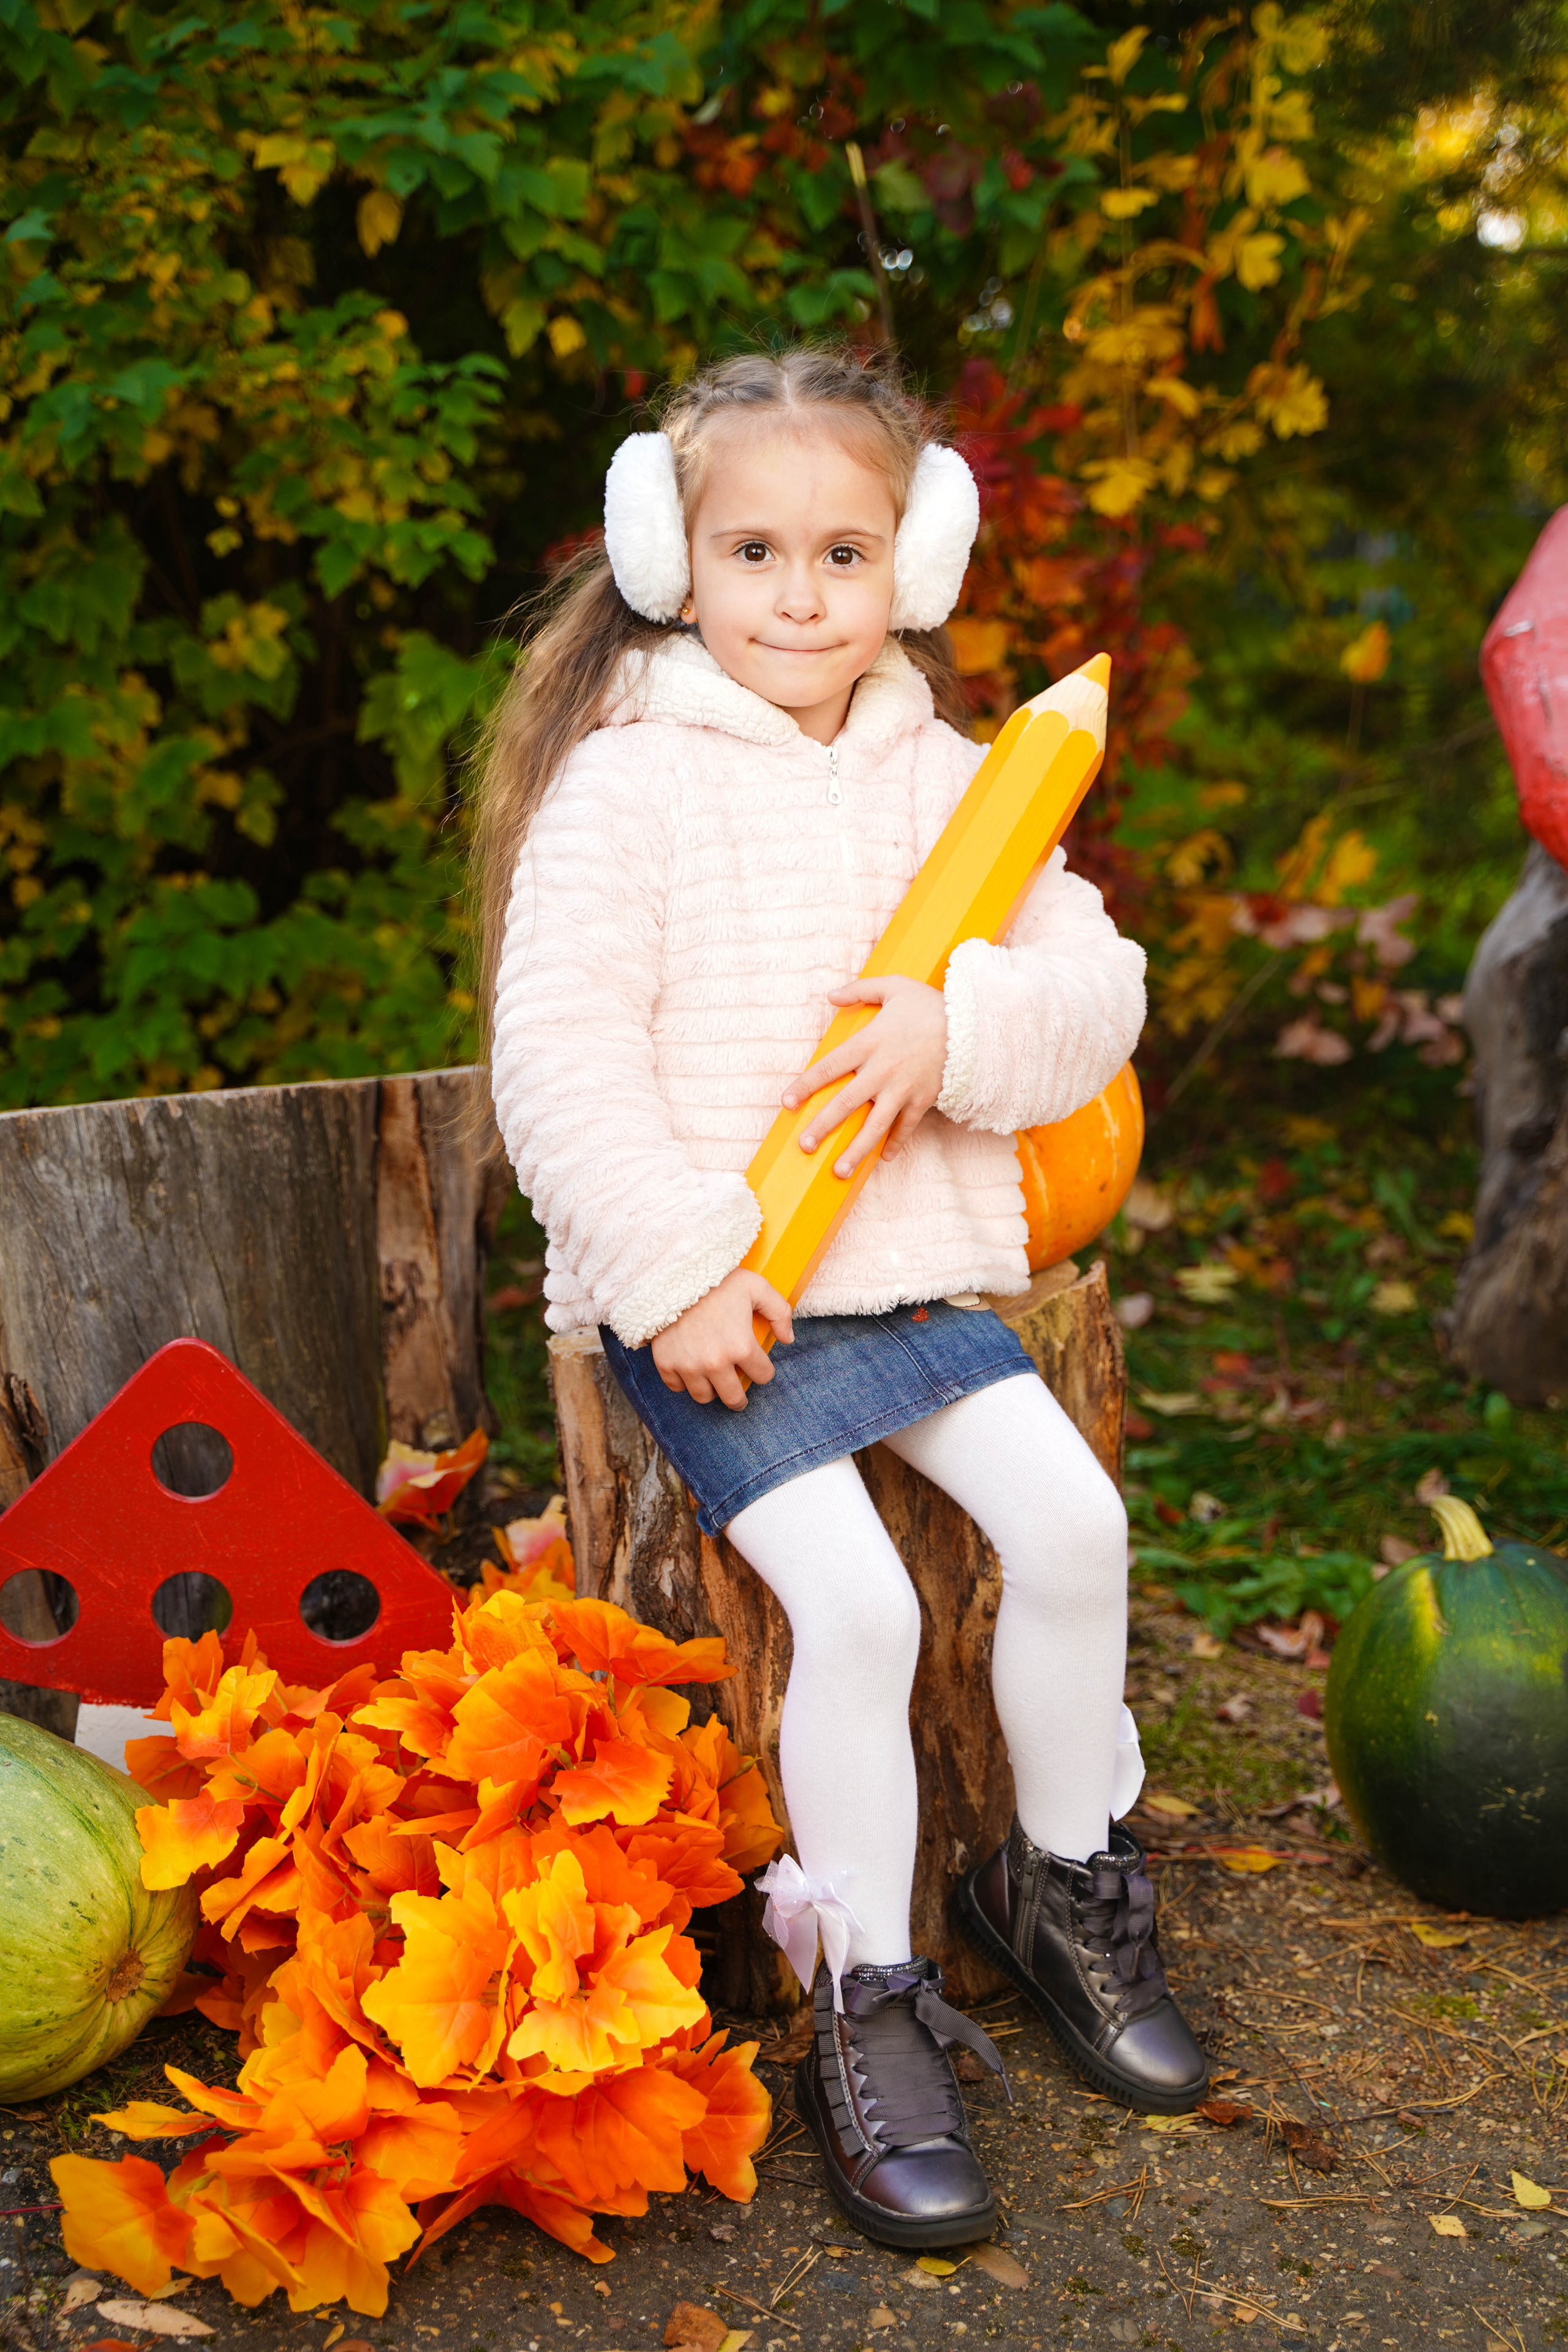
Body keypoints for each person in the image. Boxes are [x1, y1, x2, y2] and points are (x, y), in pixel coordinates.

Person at [478, 345, 1207, 2252]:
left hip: (914, 1280)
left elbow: (1102, 995)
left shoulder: (960, 787)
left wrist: (959, 1035)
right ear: (673, 559)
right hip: (718, 1304)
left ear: (916, 562)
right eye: (755, 552)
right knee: (865, 1611)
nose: (801, 595)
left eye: (845, 553)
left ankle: (1056, 1884)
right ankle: (864, 1996)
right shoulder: (626, 790)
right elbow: (559, 1058)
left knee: (1079, 1528)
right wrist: (676, 1270)